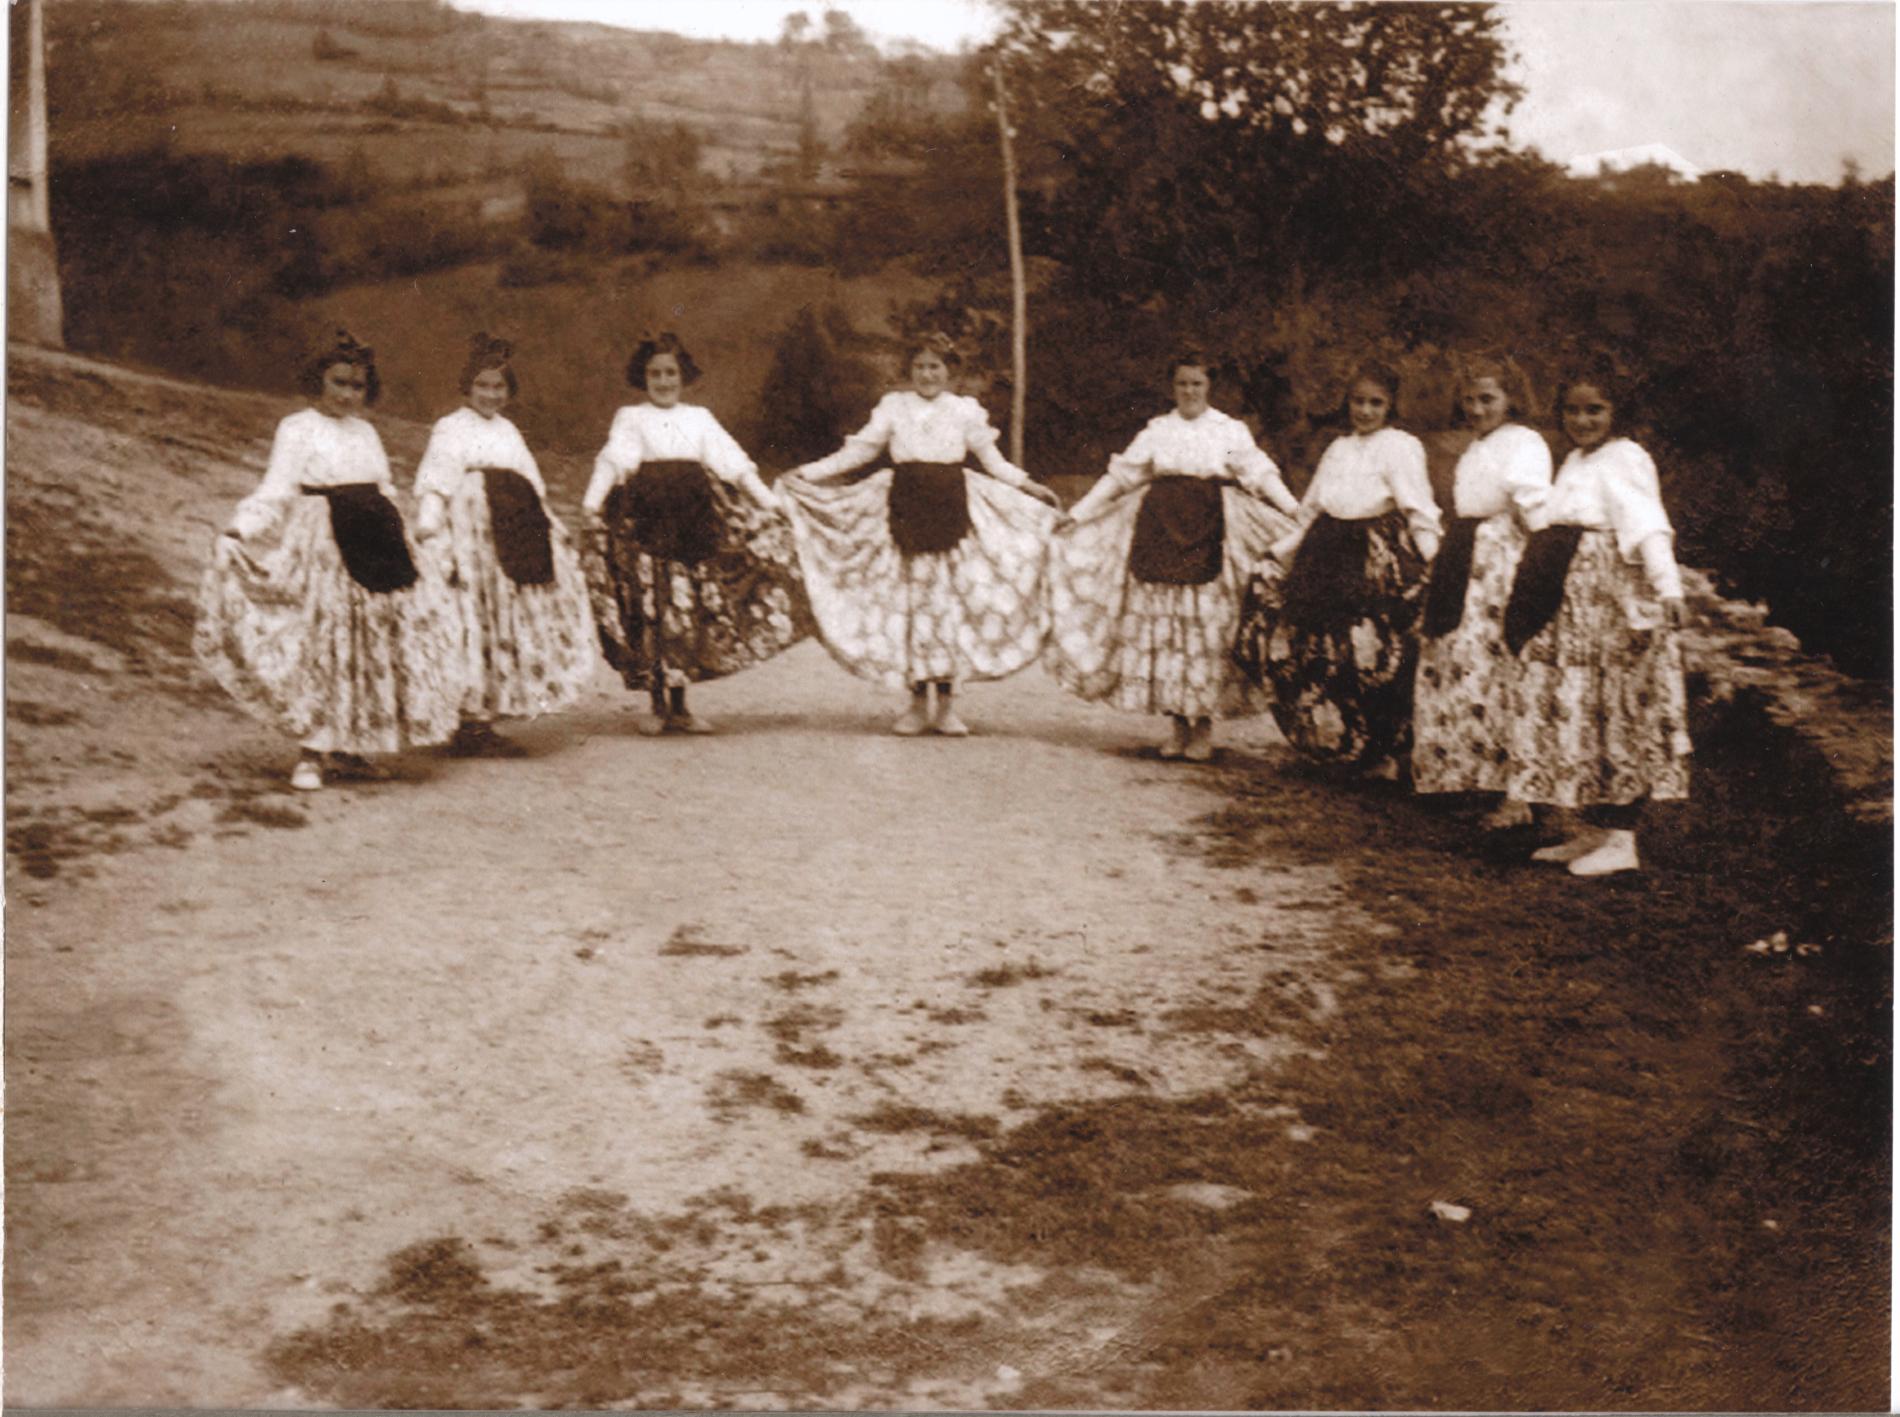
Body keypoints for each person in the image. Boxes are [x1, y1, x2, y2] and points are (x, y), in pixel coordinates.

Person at [194, 329, 461, 791]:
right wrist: (243, 528)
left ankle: (351, 748)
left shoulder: (366, 431)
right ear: (319, 381)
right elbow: (277, 489)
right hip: (324, 543)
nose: (347, 395)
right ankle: (312, 752)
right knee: (325, 642)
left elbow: (384, 488)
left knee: (367, 644)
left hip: (376, 540)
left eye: (357, 386)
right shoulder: (297, 428)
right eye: (338, 383)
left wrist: (412, 542)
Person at [778, 333, 1061, 736]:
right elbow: (859, 451)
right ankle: (914, 704)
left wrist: (1028, 485)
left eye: (935, 366)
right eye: (920, 367)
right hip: (906, 511)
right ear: (909, 372)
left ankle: (946, 706)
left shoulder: (964, 411)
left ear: (950, 372)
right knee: (912, 606)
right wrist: (807, 474)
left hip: (951, 510)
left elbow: (992, 461)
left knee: (945, 608)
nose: (927, 374)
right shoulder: (894, 408)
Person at [1045, 351, 1300, 761]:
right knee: (1167, 631)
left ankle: (1202, 727)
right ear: (1172, 386)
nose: (1189, 391)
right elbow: (1121, 477)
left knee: (1204, 630)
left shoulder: (1227, 431)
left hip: (1209, 528)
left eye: (1197, 383)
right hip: (1160, 528)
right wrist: (1078, 513)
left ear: (1209, 386)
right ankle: (1177, 728)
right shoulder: (1158, 430)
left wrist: (1293, 510)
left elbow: (1258, 473)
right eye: (1182, 383)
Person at [1504, 358, 1691, 876]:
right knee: (1580, 710)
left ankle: (1622, 838)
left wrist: (1667, 584)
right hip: (1573, 605)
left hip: (1610, 601)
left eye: (1595, 410)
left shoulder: (1626, 457)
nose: (1583, 420)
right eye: (1572, 411)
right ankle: (1591, 830)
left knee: (1619, 710)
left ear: (1617, 411)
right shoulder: (1577, 461)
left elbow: (1648, 524)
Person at [580, 332, 809, 734]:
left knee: (688, 612)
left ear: (683, 376)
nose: (664, 381)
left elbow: (732, 462)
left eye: (671, 373)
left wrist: (767, 503)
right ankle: (656, 704)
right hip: (648, 522)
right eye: (655, 373)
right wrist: (591, 502)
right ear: (643, 376)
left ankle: (682, 706)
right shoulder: (631, 418)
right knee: (655, 611)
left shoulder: (699, 418)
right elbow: (615, 461)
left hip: (694, 520)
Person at [1235, 362, 1442, 774]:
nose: (1365, 411)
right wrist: (1282, 552)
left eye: (1375, 403)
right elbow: (1312, 510)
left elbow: (1416, 506)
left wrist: (1432, 557)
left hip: (1374, 556)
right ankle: (1344, 746)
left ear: (1391, 406)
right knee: (1324, 650)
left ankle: (1390, 752)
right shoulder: (1339, 447)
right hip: (1326, 554)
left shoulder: (1400, 445)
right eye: (1358, 402)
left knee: (1375, 654)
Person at [412, 333, 596, 756]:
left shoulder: (510, 432)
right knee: (473, 617)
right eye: (482, 386)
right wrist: (429, 524)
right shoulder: (451, 428)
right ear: (467, 387)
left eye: (498, 387)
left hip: (513, 535)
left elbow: (533, 486)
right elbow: (437, 482)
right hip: (472, 534)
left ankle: (488, 718)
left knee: (505, 619)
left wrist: (553, 527)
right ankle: (467, 719)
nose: (490, 395)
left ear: (508, 392)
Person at [1411, 353, 1552, 825]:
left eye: (1487, 399)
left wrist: (1545, 565)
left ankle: (1516, 796)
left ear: (1511, 399)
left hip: (1500, 562)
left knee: (1500, 667)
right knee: (1459, 661)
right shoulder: (1476, 447)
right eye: (1469, 400)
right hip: (1466, 554)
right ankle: (1469, 776)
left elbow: (1533, 506)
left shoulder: (1524, 443)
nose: (1477, 409)